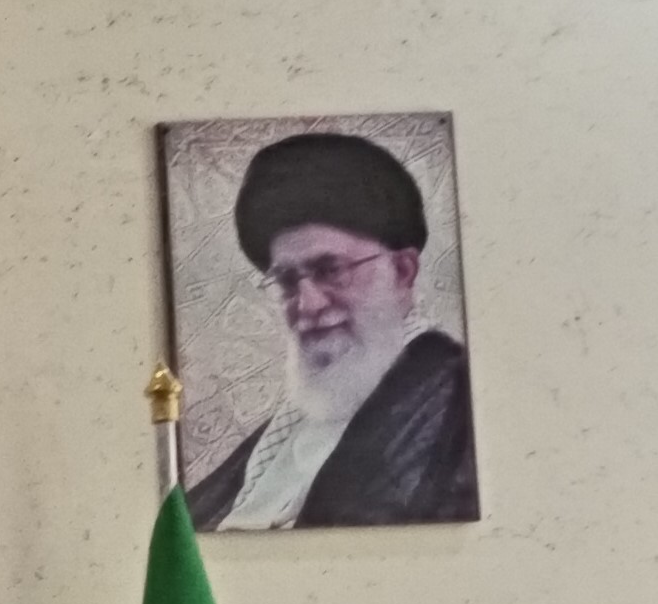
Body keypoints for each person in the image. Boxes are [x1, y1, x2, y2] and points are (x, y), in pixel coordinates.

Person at [186, 131, 479, 531]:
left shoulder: (452, 400)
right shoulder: (292, 424)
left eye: (330, 270)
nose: (308, 305)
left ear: (402, 271)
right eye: (287, 280)